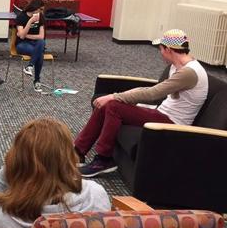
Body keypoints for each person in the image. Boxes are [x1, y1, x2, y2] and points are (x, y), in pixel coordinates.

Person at [76, 29, 208, 178]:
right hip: (162, 112)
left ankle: (103, 159)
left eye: (161, 49)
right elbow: (153, 90)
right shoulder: (177, 66)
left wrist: (114, 96)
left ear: (169, 49)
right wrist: (114, 97)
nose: (160, 53)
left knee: (113, 106)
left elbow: (153, 94)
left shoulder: (189, 73)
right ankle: (78, 151)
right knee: (108, 103)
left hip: (172, 122)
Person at [0, 118, 111, 228]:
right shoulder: (97, 194)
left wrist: (11, 166)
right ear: (69, 155)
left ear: (17, 160)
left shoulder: (5, 215)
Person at [15, 0, 46, 93]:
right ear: (35, 7)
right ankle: (37, 81)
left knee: (42, 42)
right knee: (39, 54)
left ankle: (30, 66)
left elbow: (41, 36)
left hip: (35, 44)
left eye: (42, 10)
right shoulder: (21, 17)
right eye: (40, 9)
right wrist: (30, 21)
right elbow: (22, 37)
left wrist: (25, 35)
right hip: (22, 44)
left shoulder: (41, 17)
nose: (41, 12)